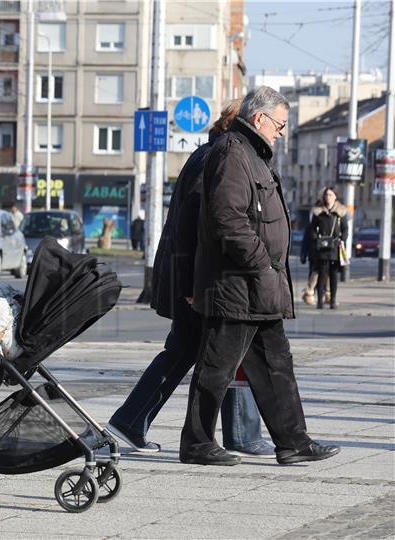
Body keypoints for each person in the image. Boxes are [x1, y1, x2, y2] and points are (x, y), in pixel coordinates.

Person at [180, 86, 340, 466]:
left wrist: (268, 271)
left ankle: (293, 442)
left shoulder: (253, 153)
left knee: (276, 365)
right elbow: (228, 218)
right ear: (260, 119)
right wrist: (262, 264)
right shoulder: (234, 152)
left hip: (259, 286)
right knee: (216, 367)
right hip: (237, 284)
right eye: (280, 125)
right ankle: (197, 443)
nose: (281, 133)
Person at [107, 100, 274, 459]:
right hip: (199, 280)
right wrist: (189, 288)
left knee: (198, 351)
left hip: (200, 278)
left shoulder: (212, 155)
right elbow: (192, 228)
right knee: (212, 350)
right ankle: (236, 433)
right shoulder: (217, 159)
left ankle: (132, 421)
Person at [309, 187, 348, 309]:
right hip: (322, 248)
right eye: (326, 195)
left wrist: (342, 239)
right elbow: (312, 229)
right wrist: (316, 240)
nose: (328, 197)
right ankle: (320, 301)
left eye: (331, 195)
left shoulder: (340, 212)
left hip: (335, 248)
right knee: (321, 274)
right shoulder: (318, 211)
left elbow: (345, 228)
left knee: (334, 275)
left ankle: (332, 300)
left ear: (335, 197)